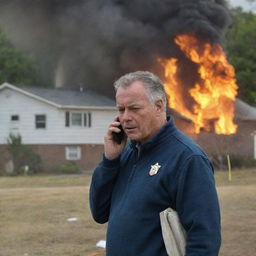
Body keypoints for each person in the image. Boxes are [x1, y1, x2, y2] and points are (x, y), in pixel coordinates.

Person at [89, 71, 221, 256]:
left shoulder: (188, 158)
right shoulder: (125, 152)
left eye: (134, 108)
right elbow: (99, 213)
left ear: (159, 106)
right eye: (121, 109)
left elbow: (204, 237)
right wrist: (110, 161)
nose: (125, 117)